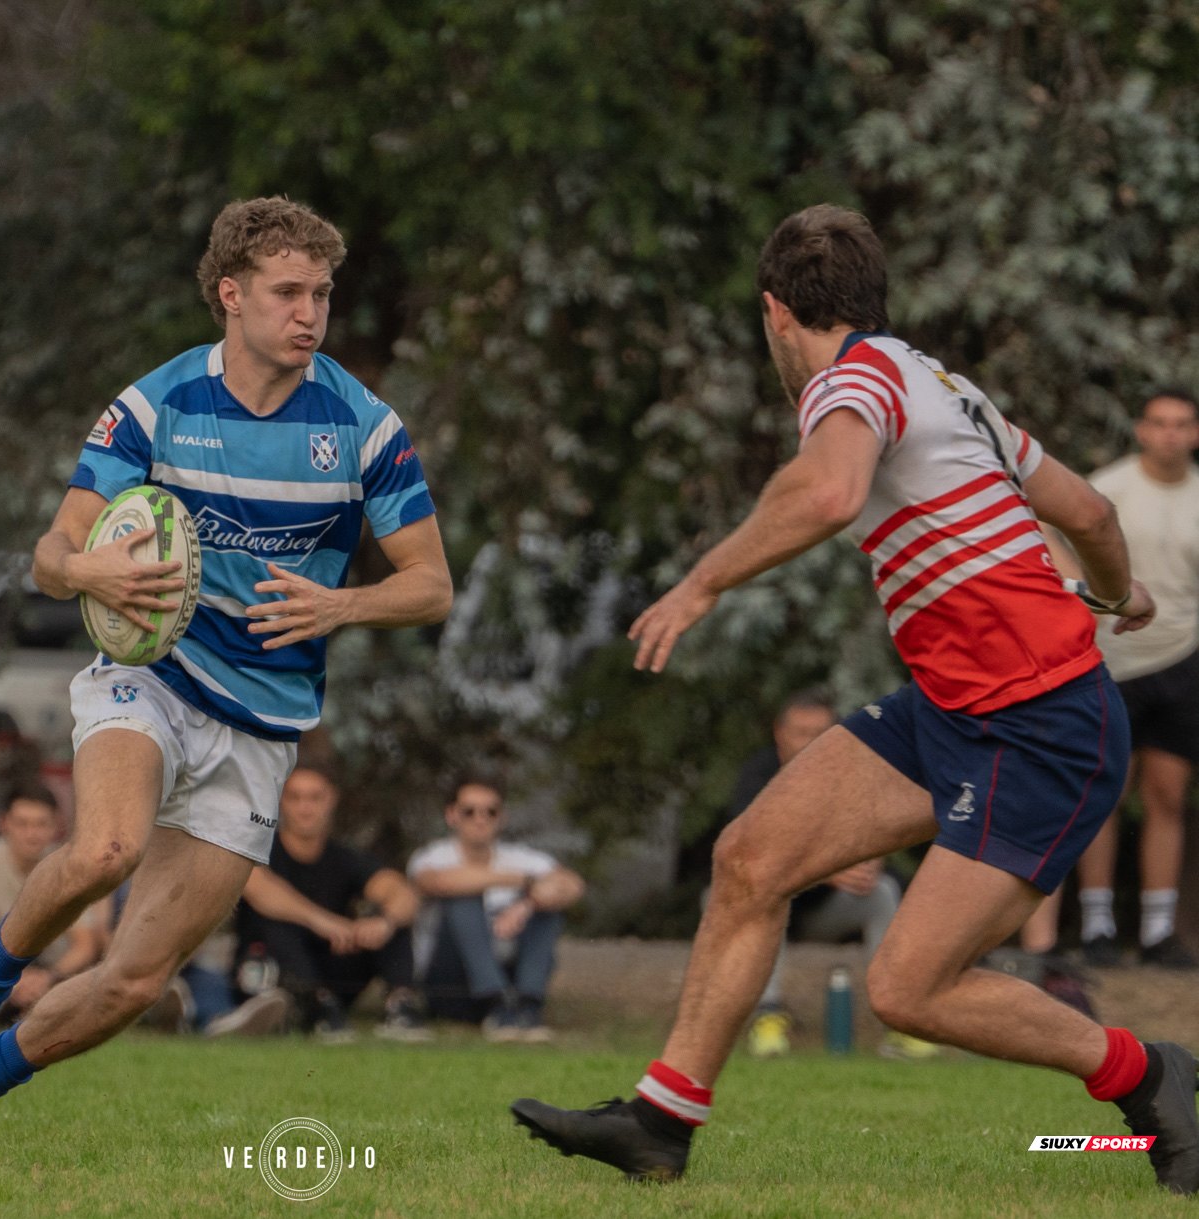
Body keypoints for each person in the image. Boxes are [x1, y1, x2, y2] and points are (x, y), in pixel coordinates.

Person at [511, 204, 1199, 1194]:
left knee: (907, 988)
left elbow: (829, 493)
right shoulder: (944, 386)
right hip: (954, 708)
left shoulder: (855, 379)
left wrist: (702, 581)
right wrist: (1110, 589)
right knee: (751, 857)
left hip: (1044, 727)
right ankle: (661, 1119)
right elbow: (1087, 509)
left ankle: (1146, 1071)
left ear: (774, 314)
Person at [0, 195, 452, 1147]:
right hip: (154, 677)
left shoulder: (363, 427)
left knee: (140, 979)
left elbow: (431, 585)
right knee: (107, 849)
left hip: (263, 727)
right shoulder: (158, 403)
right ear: (231, 295)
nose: (311, 314)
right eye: (289, 292)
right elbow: (53, 552)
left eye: (324, 294)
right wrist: (87, 567)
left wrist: (341, 603)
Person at [1063, 390, 1199, 969]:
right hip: (1108, 660)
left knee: (1167, 796)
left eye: (1182, 424)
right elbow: (1058, 551)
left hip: (1183, 657)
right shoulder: (1106, 489)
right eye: (1159, 423)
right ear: (1141, 429)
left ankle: (1158, 932)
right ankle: (1096, 927)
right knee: (1104, 793)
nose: (1170, 434)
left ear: (1194, 433)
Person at [721, 690, 917, 1060]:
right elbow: (747, 855)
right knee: (758, 895)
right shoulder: (757, 776)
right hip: (761, 908)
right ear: (779, 732)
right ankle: (768, 1018)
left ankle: (905, 1019)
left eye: (821, 732)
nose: (811, 743)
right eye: (801, 733)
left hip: (818, 911)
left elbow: (874, 834)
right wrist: (828, 872)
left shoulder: (846, 776)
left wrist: (868, 861)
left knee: (883, 893)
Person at [228, 765, 428, 1042]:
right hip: (270, 975)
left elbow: (403, 894)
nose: (304, 808)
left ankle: (401, 1007)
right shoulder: (259, 850)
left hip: (333, 973)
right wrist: (324, 921)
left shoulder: (344, 857)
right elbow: (259, 889)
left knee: (393, 920)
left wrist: (384, 923)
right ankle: (316, 1006)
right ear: (281, 802)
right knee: (276, 922)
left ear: (332, 799)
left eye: (314, 798)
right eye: (295, 798)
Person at [408, 774, 585, 1042]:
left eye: (490, 811)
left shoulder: (520, 856)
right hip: (450, 982)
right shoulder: (432, 856)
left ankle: (528, 1004)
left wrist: (528, 903)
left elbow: (572, 885)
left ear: (502, 817)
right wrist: (526, 882)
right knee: (463, 896)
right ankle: (495, 1001)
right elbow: (440, 882)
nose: (480, 819)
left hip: (508, 975)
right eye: (470, 811)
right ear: (452, 815)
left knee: (548, 908)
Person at [0, 785, 108, 1018]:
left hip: (52, 974)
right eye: (22, 823)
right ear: (3, 823)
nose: (31, 834)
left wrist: (48, 978)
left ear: (56, 826)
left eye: (40, 824)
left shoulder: (67, 866)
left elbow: (84, 945)